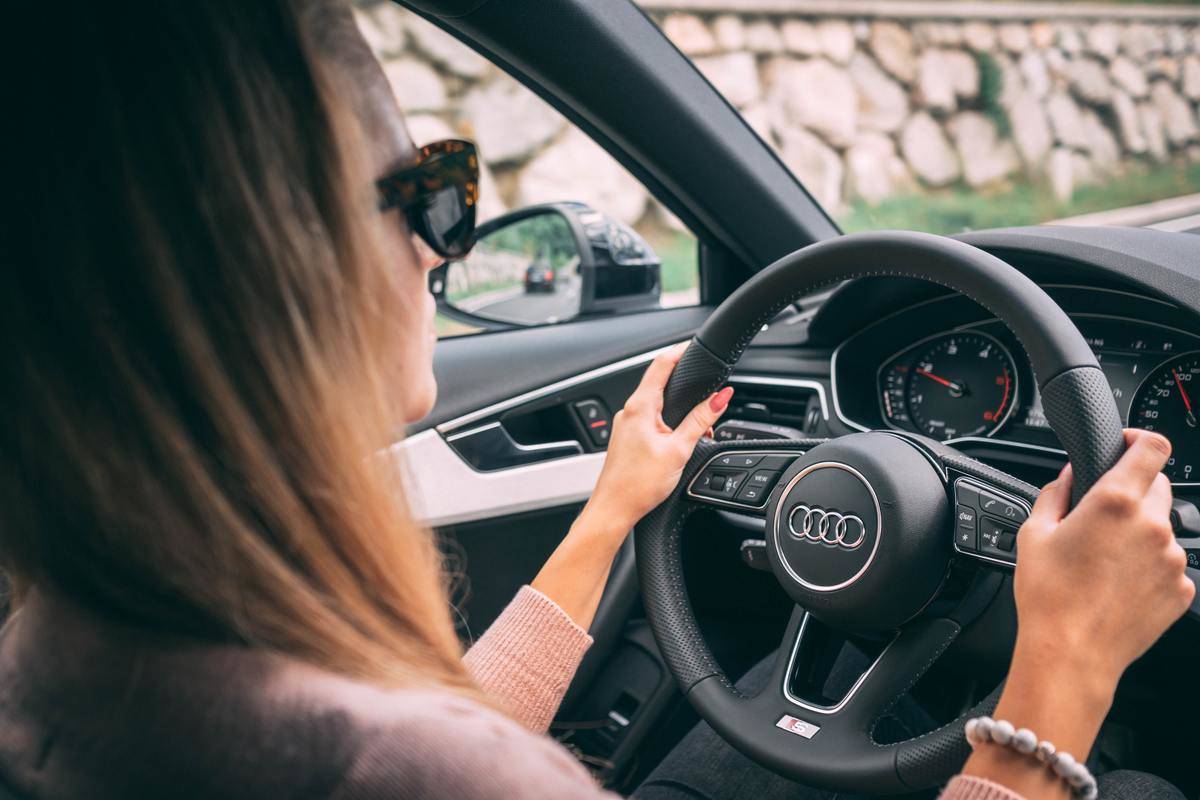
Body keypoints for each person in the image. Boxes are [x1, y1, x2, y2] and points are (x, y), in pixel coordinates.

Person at [0, 1, 1191, 799]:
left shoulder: (58, 653)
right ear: (277, 260)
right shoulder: (418, 766)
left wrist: (609, 514)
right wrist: (1061, 673)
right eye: (433, 195)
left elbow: (449, 723)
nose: (441, 249)